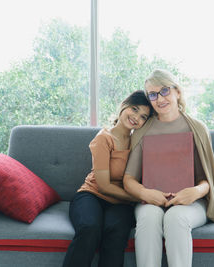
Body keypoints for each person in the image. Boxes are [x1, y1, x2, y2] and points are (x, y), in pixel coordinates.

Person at [123, 70, 214, 267]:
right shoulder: (142, 130)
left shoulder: (197, 128)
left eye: (164, 91)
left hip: (191, 203)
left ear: (177, 92)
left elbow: (207, 181)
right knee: (148, 217)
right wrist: (146, 193)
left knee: (176, 217)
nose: (159, 99)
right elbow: (128, 179)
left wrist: (194, 192)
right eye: (152, 94)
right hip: (151, 201)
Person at [62, 90, 153, 267]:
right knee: (89, 228)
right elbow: (103, 186)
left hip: (121, 204)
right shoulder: (104, 138)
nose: (136, 118)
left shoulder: (139, 141)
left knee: (115, 231)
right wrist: (139, 197)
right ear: (123, 106)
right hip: (92, 194)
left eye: (143, 117)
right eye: (134, 109)